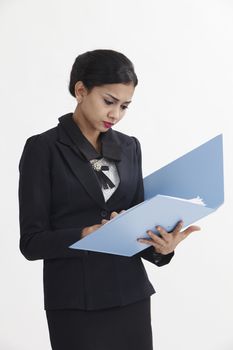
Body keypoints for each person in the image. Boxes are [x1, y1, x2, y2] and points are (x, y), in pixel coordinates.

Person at [18, 49, 200, 350]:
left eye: (125, 106)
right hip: (75, 303)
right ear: (80, 90)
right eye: (109, 102)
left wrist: (162, 248)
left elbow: (135, 224)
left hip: (131, 296)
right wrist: (85, 234)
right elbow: (31, 242)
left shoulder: (129, 147)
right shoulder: (43, 148)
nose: (116, 114)